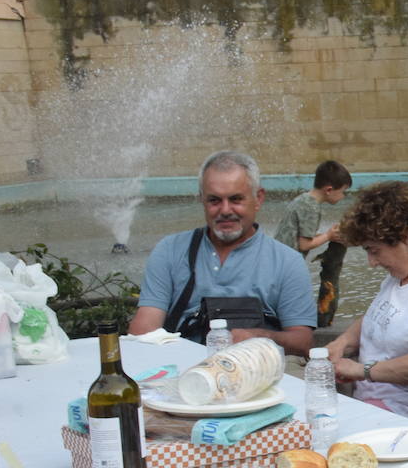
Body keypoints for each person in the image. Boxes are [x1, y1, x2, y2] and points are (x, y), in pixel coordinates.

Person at [129, 151, 316, 356]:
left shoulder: (287, 262)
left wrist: (260, 336)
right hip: (186, 372)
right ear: (202, 200)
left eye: (236, 199)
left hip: (258, 374)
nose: (225, 210)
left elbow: (303, 341)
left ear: (258, 198)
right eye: (214, 200)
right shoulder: (170, 251)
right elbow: (145, 327)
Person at [325, 183, 408, 418]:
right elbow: (377, 316)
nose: (371, 262)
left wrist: (361, 370)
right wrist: (343, 342)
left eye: (374, 251)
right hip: (368, 402)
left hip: (401, 413)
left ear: (406, 238)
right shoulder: (399, 275)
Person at [273, 160, 353, 328]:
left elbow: (300, 234)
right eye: (343, 191)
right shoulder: (312, 208)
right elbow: (304, 244)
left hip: (277, 260)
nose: (343, 196)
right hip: (286, 266)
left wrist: (324, 236)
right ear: (329, 190)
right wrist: (329, 235)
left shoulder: (303, 199)